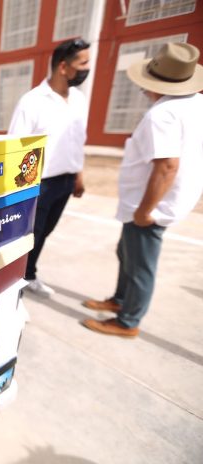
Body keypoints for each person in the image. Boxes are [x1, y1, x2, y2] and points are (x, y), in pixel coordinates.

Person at [82, 42, 203, 338]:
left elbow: (167, 166)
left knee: (140, 266)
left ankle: (128, 321)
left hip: (151, 206)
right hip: (163, 201)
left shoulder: (163, 115)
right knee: (127, 254)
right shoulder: (196, 103)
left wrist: (145, 210)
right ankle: (120, 300)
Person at [8, 38, 90, 297]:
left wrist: (78, 174)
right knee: (26, 237)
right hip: (38, 185)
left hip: (66, 181)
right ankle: (14, 289)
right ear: (63, 67)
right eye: (83, 63)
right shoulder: (32, 101)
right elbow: (16, 148)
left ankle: (29, 275)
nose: (87, 69)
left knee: (45, 233)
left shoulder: (79, 99)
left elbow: (78, 139)